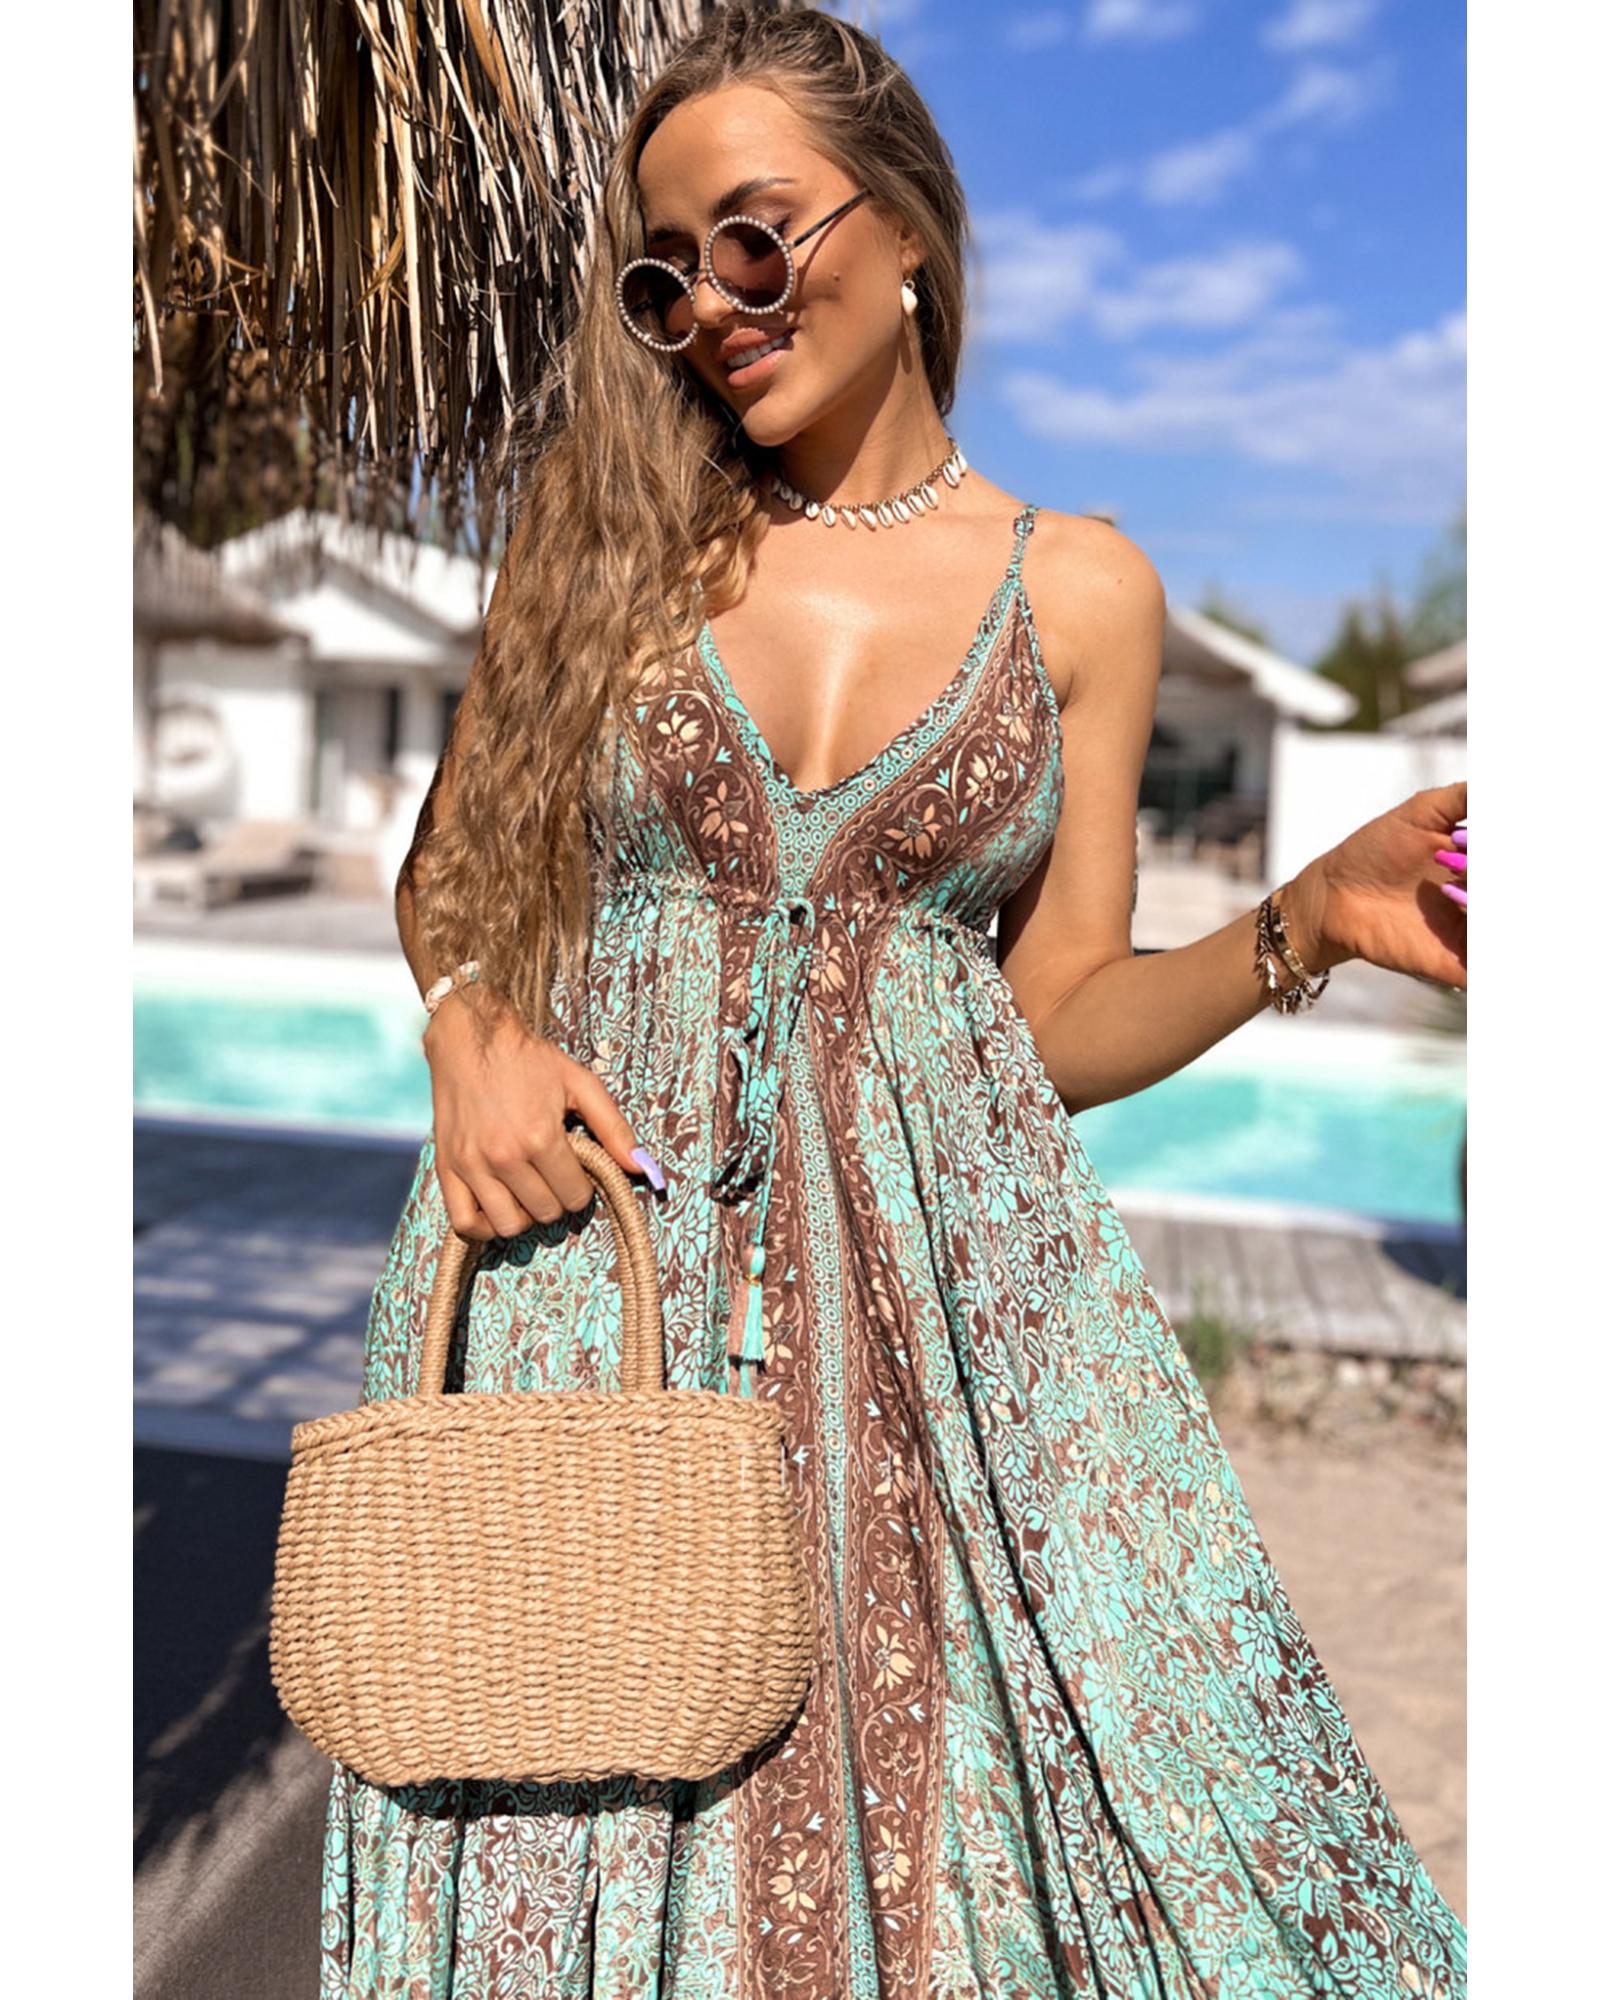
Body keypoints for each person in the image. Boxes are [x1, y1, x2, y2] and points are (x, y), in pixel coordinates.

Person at [318, 8, 1468, 1995]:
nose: (712, 306)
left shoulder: (1082, 590)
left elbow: (1053, 1017)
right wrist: (468, 1031)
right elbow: (451, 868)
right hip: (587, 1274)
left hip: (935, 1327)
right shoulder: (600, 533)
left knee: (952, 1858)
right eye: (664, 275)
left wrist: (1308, 921)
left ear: (910, 223)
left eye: (754, 237)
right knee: (548, 1799)